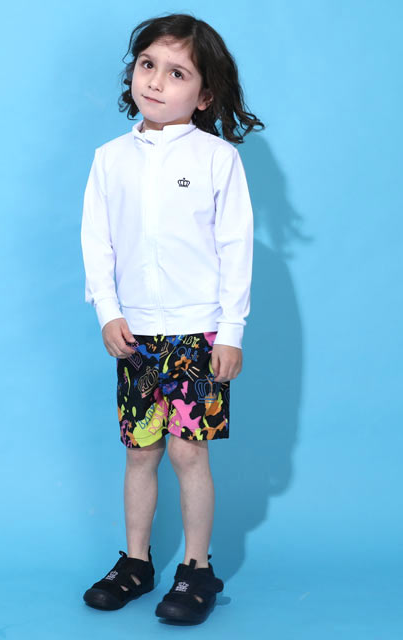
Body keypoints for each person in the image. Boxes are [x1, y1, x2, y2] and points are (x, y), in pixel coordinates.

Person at [80, 12, 264, 625]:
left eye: (177, 72)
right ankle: (135, 563)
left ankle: (197, 568)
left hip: (197, 334)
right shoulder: (110, 159)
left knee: (189, 454)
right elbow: (97, 242)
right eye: (147, 65)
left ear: (205, 95)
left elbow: (236, 246)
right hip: (136, 336)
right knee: (141, 452)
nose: (156, 81)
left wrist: (230, 332)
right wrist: (108, 312)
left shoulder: (216, 159)